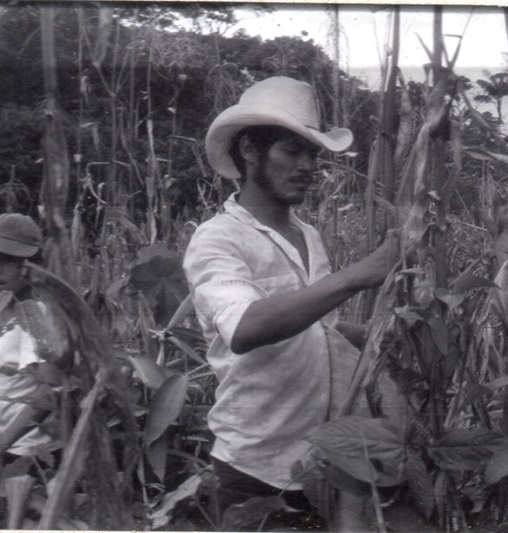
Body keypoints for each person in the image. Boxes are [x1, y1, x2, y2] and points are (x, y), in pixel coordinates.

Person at [183, 76, 399, 528]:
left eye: (312, 154)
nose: (306, 166)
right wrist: (360, 275)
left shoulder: (308, 235)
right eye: (291, 150)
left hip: (327, 461)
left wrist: (381, 336)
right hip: (256, 469)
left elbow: (318, 325)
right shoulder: (218, 239)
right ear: (249, 151)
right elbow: (245, 328)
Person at [0, 213, 69, 470]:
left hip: (29, 456)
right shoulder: (1, 296)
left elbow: (50, 391)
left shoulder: (35, 315)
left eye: (8, 260)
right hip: (0, 448)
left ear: (30, 265)